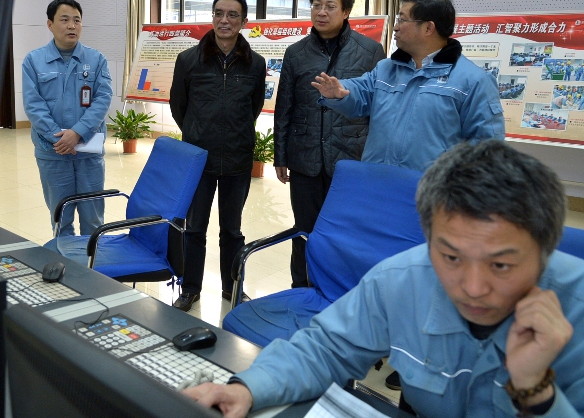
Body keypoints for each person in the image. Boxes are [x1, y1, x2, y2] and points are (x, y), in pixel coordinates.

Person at [185, 140, 584, 418]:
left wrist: (536, 391)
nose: (474, 287)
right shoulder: (404, 278)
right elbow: (325, 349)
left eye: (501, 265)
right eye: (451, 257)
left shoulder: (577, 306)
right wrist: (245, 388)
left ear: (546, 252)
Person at [312, 0, 505, 173]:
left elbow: (486, 148)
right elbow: (361, 90)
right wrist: (340, 92)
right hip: (378, 181)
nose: (395, 27)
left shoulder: (474, 81)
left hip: (430, 189)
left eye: (402, 20)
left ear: (428, 28)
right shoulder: (386, 68)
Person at [274, 0, 385, 288]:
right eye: (316, 5)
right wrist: (280, 155)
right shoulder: (296, 53)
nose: (321, 12)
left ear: (346, 11)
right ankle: (301, 290)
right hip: (304, 157)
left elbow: (377, 109)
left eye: (330, 6)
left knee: (345, 233)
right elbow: (285, 106)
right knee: (304, 231)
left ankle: (339, 294)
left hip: (350, 158)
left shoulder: (370, 51)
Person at [169, 0, 266, 312]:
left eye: (232, 15)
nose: (225, 20)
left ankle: (231, 287)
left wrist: (234, 133)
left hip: (238, 158)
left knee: (232, 230)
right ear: (212, 17)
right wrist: (197, 132)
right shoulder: (188, 59)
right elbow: (178, 107)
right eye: (219, 13)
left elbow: (253, 108)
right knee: (194, 227)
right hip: (199, 159)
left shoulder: (256, 64)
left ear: (244, 21)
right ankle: (190, 288)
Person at [22, 0, 113, 237]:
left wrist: (77, 133)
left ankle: (92, 259)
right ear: (50, 24)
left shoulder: (96, 60)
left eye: (77, 20)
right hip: (53, 151)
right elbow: (33, 105)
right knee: (60, 217)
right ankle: (65, 260)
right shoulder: (34, 61)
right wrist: (61, 139)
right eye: (64, 20)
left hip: (88, 149)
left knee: (93, 216)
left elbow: (103, 99)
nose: (72, 26)